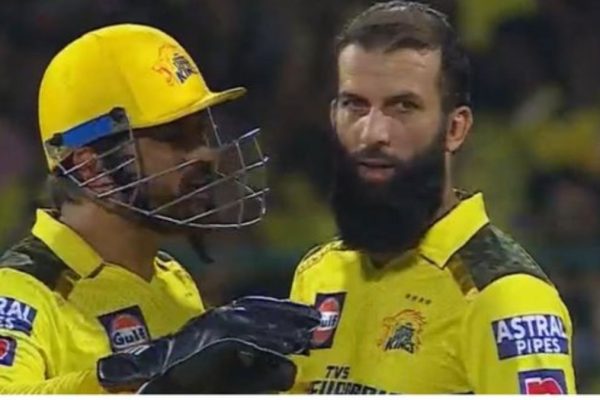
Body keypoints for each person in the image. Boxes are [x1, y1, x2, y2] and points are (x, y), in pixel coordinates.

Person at [0, 24, 319, 394]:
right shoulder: (22, 292)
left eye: (201, 133)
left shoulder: (171, 279)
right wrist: (158, 368)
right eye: (174, 137)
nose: (207, 154)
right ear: (91, 168)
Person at [289, 1, 576, 394]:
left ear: (455, 129)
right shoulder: (319, 273)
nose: (372, 133)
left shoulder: (505, 297)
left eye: (403, 107)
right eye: (354, 105)